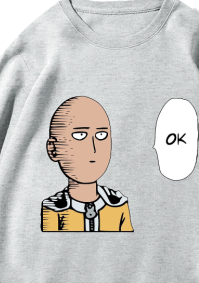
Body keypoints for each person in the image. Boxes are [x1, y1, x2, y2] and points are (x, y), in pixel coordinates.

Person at [41, 96, 134, 232]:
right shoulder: (53, 208)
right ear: (54, 149)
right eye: (80, 135)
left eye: (101, 135)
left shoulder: (118, 204)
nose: (93, 148)